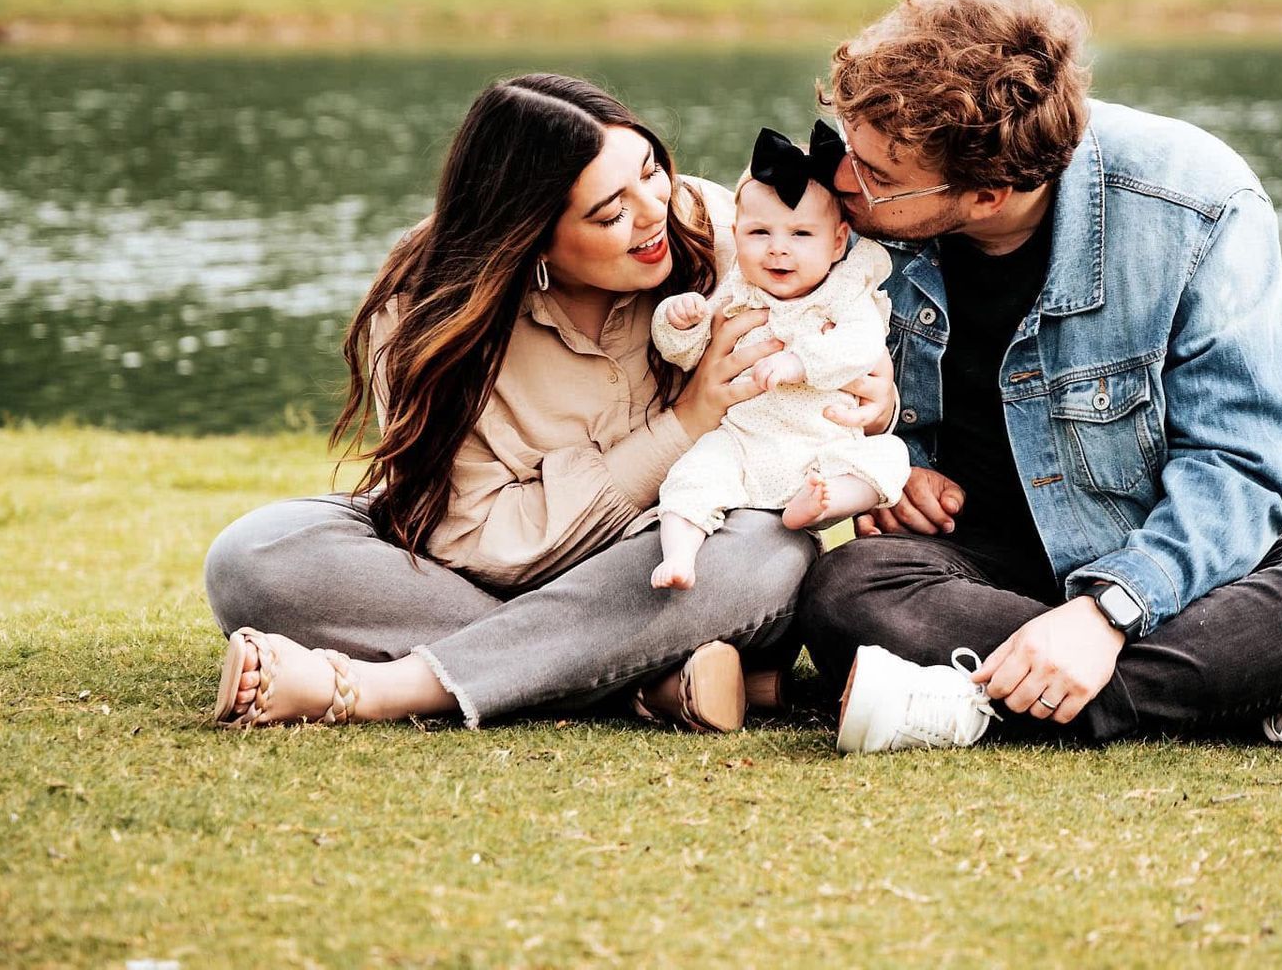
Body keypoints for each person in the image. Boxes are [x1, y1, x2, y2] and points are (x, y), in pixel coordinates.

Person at [795, 0, 1282, 755]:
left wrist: (1109, 610)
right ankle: (1269, 699)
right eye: (847, 147)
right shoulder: (851, 222)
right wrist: (893, 467)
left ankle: (968, 703)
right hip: (992, 566)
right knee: (846, 592)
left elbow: (1246, 464)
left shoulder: (1197, 202)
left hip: (1193, 562)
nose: (843, 180)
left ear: (989, 193)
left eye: (878, 176)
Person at [203, 74, 894, 734]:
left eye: (650, 170)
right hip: (485, 570)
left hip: (672, 555)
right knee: (256, 556)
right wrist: (685, 423)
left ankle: (388, 688)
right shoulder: (426, 308)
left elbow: (845, 322)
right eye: (610, 210)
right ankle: (636, 678)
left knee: (768, 551)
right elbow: (473, 539)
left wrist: (878, 397)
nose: (654, 210)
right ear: (531, 232)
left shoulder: (721, 228)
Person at [649, 126, 910, 591]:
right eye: (759, 232)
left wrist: (800, 363)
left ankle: (821, 506)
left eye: (801, 233)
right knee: (692, 475)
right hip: (744, 439)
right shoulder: (735, 290)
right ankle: (679, 556)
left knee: (890, 457)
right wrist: (679, 322)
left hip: (825, 444)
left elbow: (862, 345)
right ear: (737, 234)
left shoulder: (847, 291)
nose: (778, 247)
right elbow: (689, 356)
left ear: (837, 242)